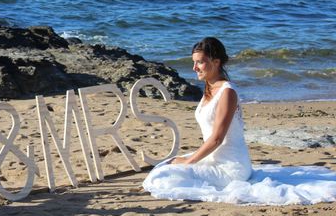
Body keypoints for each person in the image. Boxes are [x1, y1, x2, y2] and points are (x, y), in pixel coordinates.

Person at [143, 37, 336, 205]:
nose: (194, 68)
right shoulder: (210, 89)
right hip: (214, 158)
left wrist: (189, 161)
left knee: (167, 177)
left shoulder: (227, 92)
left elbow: (217, 138)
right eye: (194, 63)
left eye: (200, 63)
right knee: (165, 167)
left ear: (216, 62)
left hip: (231, 167)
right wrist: (187, 160)